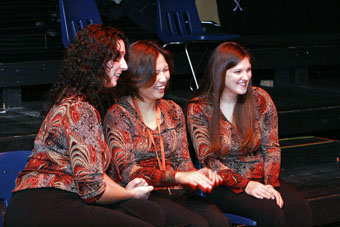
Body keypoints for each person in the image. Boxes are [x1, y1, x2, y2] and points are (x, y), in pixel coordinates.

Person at [5, 24, 166, 227]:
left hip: (62, 197)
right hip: (43, 205)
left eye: (124, 57)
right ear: (95, 62)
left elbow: (93, 173)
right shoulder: (80, 109)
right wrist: (129, 193)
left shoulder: (79, 102)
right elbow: (92, 190)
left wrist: (127, 192)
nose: (124, 66)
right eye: (116, 57)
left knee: (151, 213)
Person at [104, 40, 231, 226]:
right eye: (155, 73)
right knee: (195, 224)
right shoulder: (118, 114)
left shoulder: (173, 110)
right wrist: (177, 176)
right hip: (144, 195)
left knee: (219, 221)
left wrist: (197, 174)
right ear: (136, 76)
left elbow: (183, 161)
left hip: (177, 192)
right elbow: (127, 172)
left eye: (165, 70)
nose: (163, 78)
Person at [186, 42, 313, 226]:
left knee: (299, 207)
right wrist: (246, 185)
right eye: (238, 72)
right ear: (220, 74)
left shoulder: (260, 99)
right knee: (270, 212)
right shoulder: (199, 108)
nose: (245, 77)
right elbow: (209, 160)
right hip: (223, 183)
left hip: (261, 178)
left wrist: (269, 183)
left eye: (248, 70)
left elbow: (271, 148)